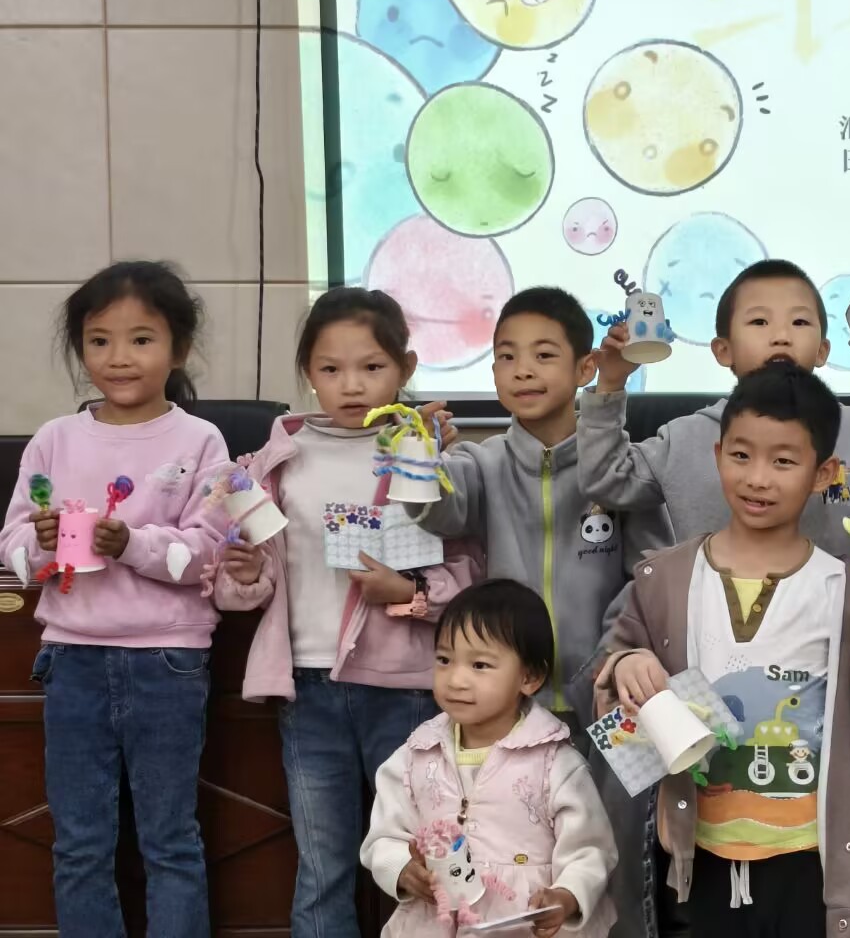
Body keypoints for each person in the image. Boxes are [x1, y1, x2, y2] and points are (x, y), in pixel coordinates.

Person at [593, 362, 850, 937]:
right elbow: (615, 697)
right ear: (717, 455)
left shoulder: (846, 587)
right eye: (741, 455)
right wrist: (626, 663)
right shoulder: (663, 578)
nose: (758, 478)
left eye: (783, 462)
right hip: (698, 852)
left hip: (813, 856)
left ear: (824, 473)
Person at [211, 287, 479, 938]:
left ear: (405, 368)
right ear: (308, 372)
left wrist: (407, 591)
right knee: (323, 866)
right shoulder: (275, 461)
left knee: (426, 862)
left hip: (407, 689)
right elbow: (245, 582)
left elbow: (469, 575)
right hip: (308, 685)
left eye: (372, 366)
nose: (352, 384)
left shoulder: (422, 452)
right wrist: (244, 574)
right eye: (331, 369)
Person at [0, 261, 229, 937]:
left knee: (170, 843)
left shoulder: (200, 440)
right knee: (79, 846)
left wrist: (129, 542)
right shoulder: (55, 439)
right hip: (71, 659)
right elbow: (14, 547)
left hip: (169, 663)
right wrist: (41, 542)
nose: (119, 357)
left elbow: (209, 553)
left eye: (141, 339)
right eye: (99, 341)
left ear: (179, 349)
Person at [577, 259, 850, 560]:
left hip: (836, 624)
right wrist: (610, 385)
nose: (781, 335)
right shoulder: (684, 438)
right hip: (713, 626)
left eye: (800, 321)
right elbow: (607, 482)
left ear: (823, 350)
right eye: (759, 321)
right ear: (723, 350)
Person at [411, 286, 674, 718]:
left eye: (544, 355)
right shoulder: (480, 463)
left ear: (585, 368)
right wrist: (419, 461)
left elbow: (652, 575)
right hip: (508, 702)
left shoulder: (621, 471)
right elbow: (439, 514)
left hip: (605, 695)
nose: (523, 371)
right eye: (507, 357)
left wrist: (612, 654)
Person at [361, 579, 618, 938]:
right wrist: (401, 869)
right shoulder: (416, 755)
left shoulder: (555, 763)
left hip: (524, 929)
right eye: (444, 660)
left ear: (530, 677)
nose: (456, 679)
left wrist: (566, 896)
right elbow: (383, 836)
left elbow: (589, 850)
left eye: (480, 665)